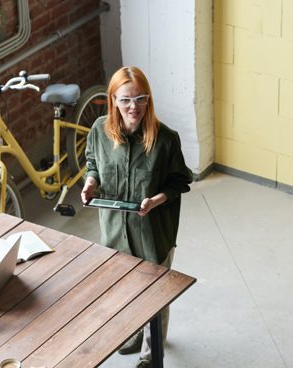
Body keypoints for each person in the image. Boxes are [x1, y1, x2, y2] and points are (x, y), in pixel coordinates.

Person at [81, 66, 193, 367]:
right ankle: (132, 334)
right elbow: (92, 161)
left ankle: (150, 354)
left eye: (141, 99)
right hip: (115, 232)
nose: (134, 107)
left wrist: (156, 200)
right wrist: (90, 181)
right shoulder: (99, 132)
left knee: (154, 296)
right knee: (124, 289)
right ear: (113, 100)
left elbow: (180, 181)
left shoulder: (166, 139)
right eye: (126, 100)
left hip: (153, 234)